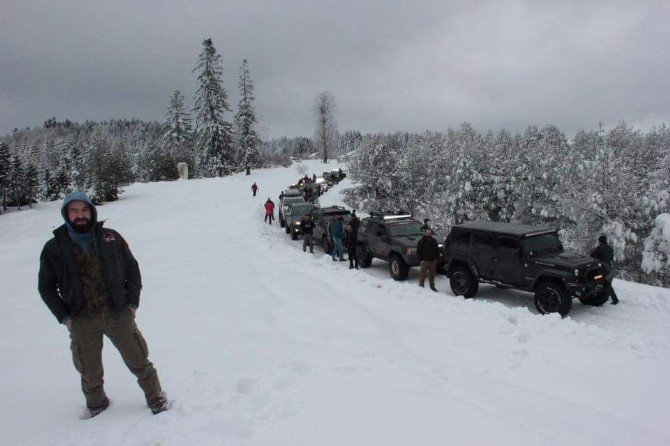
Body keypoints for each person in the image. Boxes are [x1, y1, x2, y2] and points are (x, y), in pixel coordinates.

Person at [37, 192, 168, 418]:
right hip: (81, 318)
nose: (80, 215)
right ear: (66, 214)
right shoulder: (54, 247)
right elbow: (46, 287)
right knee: (89, 369)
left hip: (118, 312)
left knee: (139, 359)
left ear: (92, 211)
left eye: (84, 210)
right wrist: (65, 317)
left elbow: (132, 270)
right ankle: (97, 404)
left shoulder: (111, 238)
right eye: (74, 211)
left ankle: (156, 399)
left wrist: (132, 304)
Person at [591, 235, 619, 304]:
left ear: (600, 241)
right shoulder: (610, 248)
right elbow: (611, 258)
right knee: (607, 282)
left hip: (602, 269)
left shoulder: (599, 248)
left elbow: (592, 255)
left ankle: (615, 299)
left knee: (604, 283)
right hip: (609, 268)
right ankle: (607, 295)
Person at [417, 227, 440, 292]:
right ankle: (421, 286)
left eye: (429, 233)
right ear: (425, 233)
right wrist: (421, 260)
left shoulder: (434, 241)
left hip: (433, 261)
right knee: (422, 275)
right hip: (424, 261)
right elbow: (418, 252)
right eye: (427, 233)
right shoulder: (421, 242)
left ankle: (432, 287)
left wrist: (436, 258)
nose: (428, 234)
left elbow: (437, 250)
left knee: (432, 275)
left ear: (431, 233)